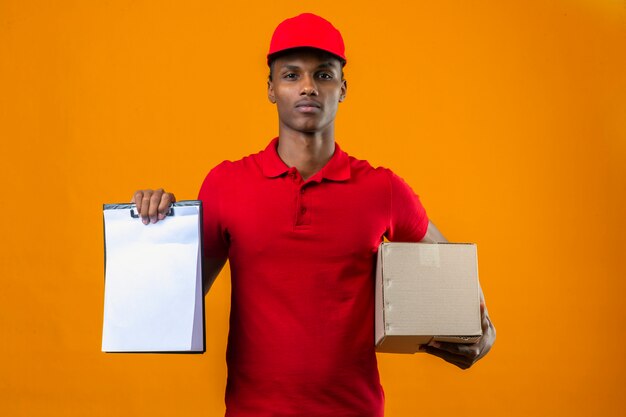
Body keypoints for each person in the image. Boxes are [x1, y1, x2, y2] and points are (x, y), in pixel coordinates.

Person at [132, 13, 495, 417]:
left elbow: (453, 276)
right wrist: (155, 229)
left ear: (343, 88)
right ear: (271, 88)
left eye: (323, 75)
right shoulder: (226, 184)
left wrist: (482, 330)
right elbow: (176, 304)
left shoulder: (382, 189)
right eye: (291, 75)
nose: (308, 86)